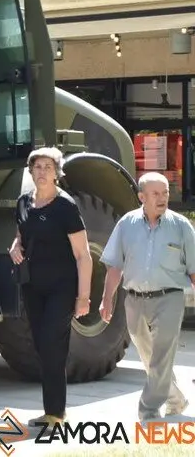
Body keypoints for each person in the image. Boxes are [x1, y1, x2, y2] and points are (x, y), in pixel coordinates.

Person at [98, 171, 195, 420]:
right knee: (148, 355)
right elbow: (115, 266)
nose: (162, 198)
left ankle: (149, 410)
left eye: (165, 193)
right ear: (142, 196)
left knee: (162, 353)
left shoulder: (181, 226)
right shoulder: (126, 224)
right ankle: (176, 399)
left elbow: (194, 269)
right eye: (155, 193)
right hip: (134, 299)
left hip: (169, 297)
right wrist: (107, 299)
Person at [9, 146, 93, 427]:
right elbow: (21, 233)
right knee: (42, 347)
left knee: (51, 344)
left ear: (57, 173)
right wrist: (15, 246)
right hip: (33, 285)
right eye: (37, 167)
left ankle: (56, 414)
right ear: (30, 171)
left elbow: (83, 255)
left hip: (62, 286)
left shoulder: (65, 206)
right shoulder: (23, 202)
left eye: (48, 167)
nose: (42, 172)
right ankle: (51, 412)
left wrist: (84, 297)